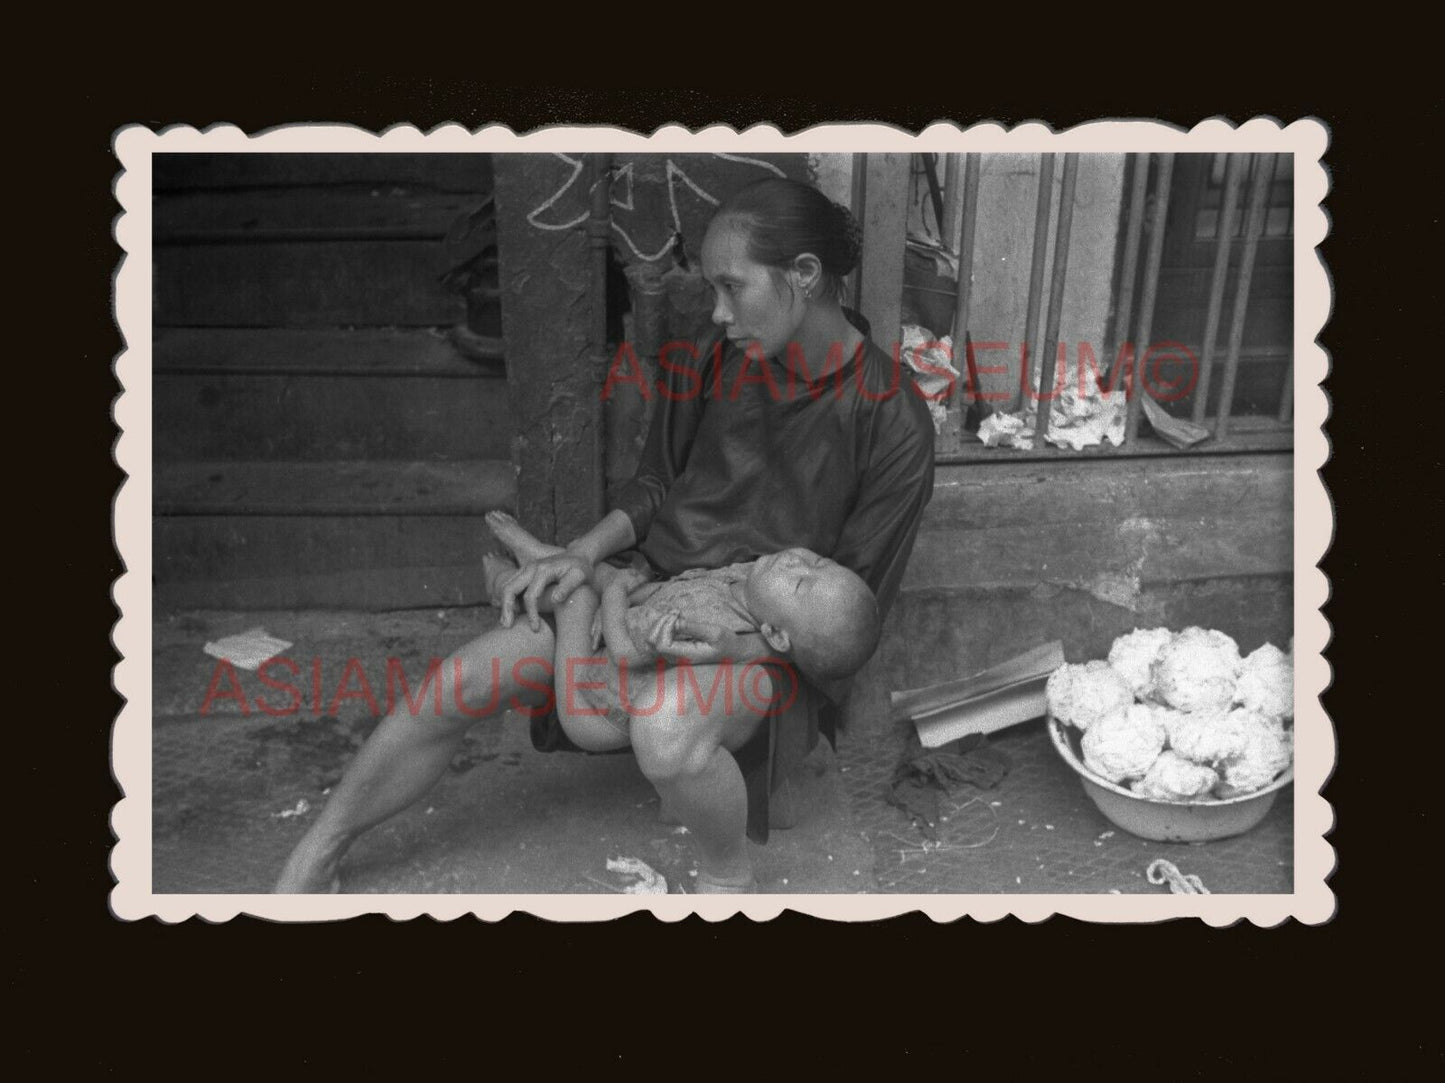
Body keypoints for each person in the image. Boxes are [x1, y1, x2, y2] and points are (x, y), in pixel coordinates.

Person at [274, 175, 936, 894]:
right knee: (462, 679)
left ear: (803, 276)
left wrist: (735, 642)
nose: (716, 313)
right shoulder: (720, 356)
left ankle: (725, 879)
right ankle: (320, 847)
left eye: (732, 287)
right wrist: (581, 554)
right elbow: (656, 484)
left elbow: (847, 620)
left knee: (666, 724)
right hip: (653, 591)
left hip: (765, 653)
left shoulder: (892, 418)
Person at [480, 510, 880, 756]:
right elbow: (675, 589)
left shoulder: (705, 625)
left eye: (799, 584)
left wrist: (616, 594)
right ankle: (538, 556)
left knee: (577, 594)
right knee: (594, 572)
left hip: (589, 708)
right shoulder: (752, 584)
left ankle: (502, 586)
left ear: (776, 634)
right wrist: (632, 589)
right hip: (628, 625)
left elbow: (622, 653)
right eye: (816, 561)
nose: (796, 562)